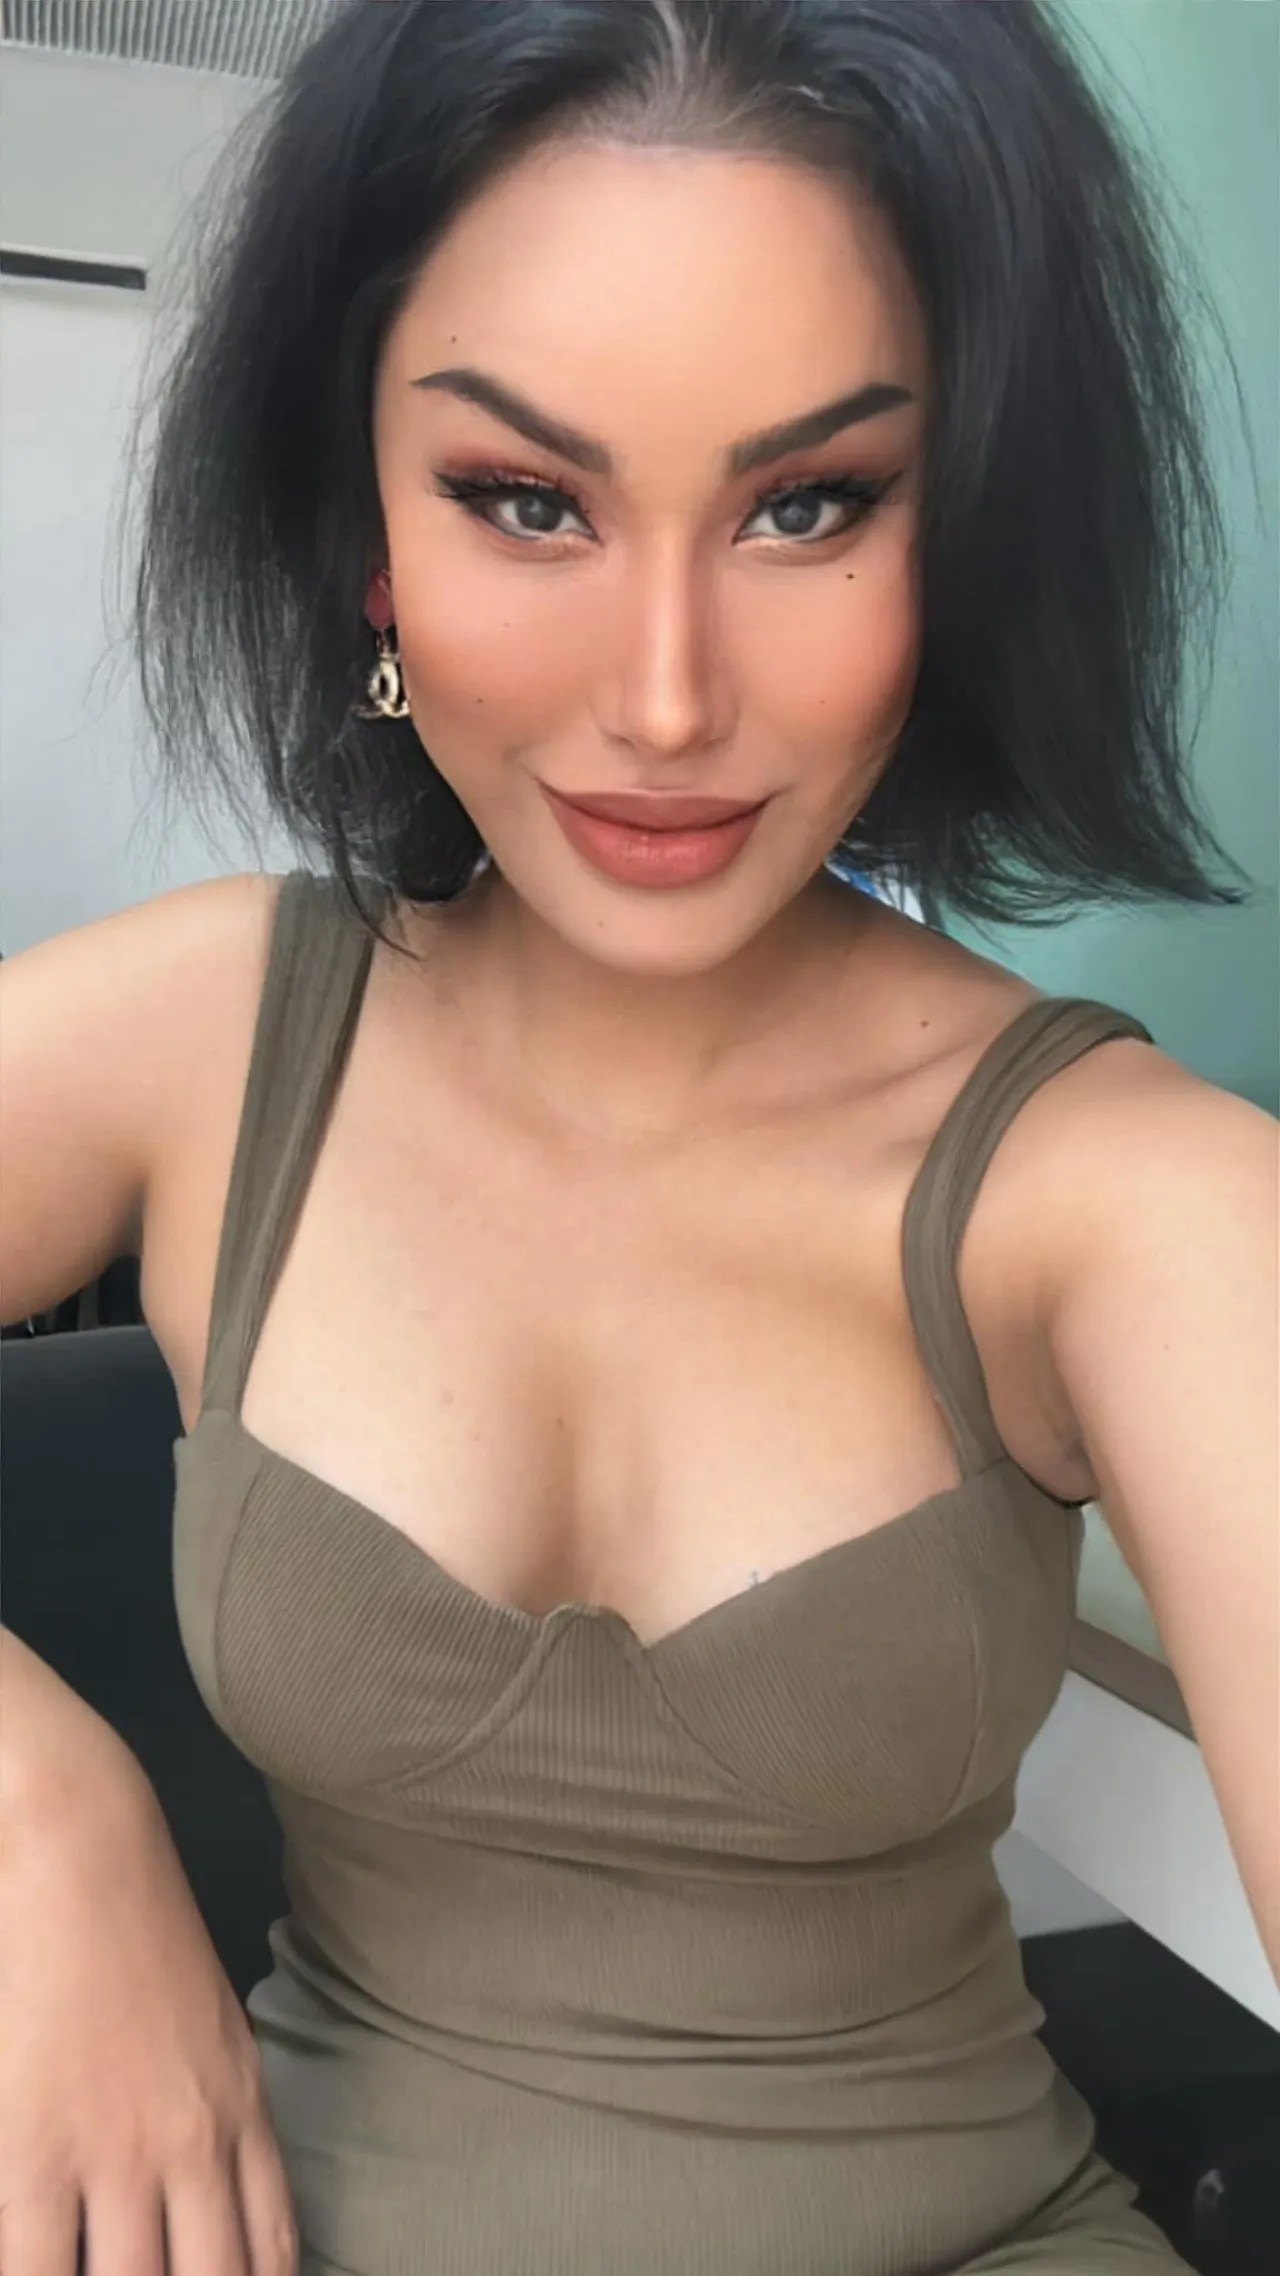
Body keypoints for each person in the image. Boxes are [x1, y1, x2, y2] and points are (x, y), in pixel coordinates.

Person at [1, 2, 1275, 2271]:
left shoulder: (1127, 1195)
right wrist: (35, 1814)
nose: (667, 697)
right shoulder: (209, 1032)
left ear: (961, 534)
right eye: (526, 500)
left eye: (809, 505)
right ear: (366, 533)